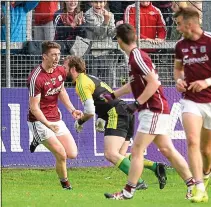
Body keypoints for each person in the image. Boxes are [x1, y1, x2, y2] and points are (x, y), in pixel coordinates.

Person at [104, 23, 194, 200]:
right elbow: (134, 84)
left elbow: (154, 83)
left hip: (153, 109)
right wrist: (114, 94)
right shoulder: (135, 57)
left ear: (119, 41)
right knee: (167, 149)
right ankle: (193, 185)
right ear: (135, 37)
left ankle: (128, 192)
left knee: (137, 151)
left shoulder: (137, 56)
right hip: (154, 109)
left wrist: (137, 103)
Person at [63, 55, 168, 190]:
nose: (63, 70)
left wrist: (80, 122)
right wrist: (102, 116)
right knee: (120, 155)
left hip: (116, 113)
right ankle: (155, 167)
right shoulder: (91, 78)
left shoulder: (81, 84)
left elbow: (89, 111)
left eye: (65, 67)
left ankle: (137, 181)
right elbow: (105, 98)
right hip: (124, 112)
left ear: (72, 69)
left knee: (110, 154)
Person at [173, 7, 211, 202]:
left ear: (189, 24)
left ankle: (206, 173)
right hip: (191, 100)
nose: (177, 28)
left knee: (206, 149)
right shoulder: (180, 45)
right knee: (192, 141)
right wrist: (179, 81)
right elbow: (177, 70)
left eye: (179, 24)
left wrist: (207, 82)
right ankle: (198, 186)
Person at [27, 41, 82, 190]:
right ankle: (65, 184)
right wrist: (47, 124)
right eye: (53, 55)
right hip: (39, 121)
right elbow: (34, 108)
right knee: (61, 154)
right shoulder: (36, 78)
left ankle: (38, 138)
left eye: (58, 54)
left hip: (55, 118)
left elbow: (61, 91)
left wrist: (72, 110)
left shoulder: (60, 71)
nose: (57, 58)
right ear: (44, 56)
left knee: (72, 153)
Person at [84, 1, 117, 86]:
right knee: (92, 83)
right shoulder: (88, 14)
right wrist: (106, 21)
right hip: (93, 53)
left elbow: (111, 34)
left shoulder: (110, 15)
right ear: (91, 3)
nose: (98, 5)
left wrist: (117, 28)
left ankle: (108, 98)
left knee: (108, 83)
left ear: (105, 2)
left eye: (101, 2)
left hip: (107, 52)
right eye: (95, 2)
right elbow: (100, 33)